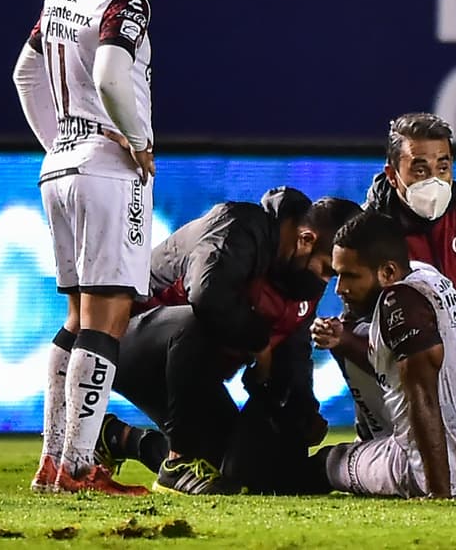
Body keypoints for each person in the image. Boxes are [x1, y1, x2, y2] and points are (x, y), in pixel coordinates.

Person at [12, 0, 201, 495]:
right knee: (110, 312)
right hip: (105, 167)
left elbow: (26, 71)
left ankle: (54, 460)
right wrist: (135, 137)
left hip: (62, 166)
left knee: (76, 316)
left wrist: (60, 142)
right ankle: (77, 467)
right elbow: (112, 71)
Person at [316, 113, 456, 488]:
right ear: (392, 173)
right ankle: (389, 444)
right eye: (419, 168)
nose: (433, 179)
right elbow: (358, 303)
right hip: (403, 343)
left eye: (443, 166)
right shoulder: (375, 226)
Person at [99, 188, 362, 495]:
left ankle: (119, 437)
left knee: (236, 471)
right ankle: (177, 460)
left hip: (194, 373)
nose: (327, 282)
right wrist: (260, 342)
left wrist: (301, 412)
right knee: (192, 322)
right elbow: (208, 295)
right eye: (328, 270)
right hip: (129, 340)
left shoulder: (302, 280)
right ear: (306, 239)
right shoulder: (239, 226)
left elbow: (294, 352)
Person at [312, 211, 456, 499]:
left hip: (443, 470)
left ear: (388, 273)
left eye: (350, 276)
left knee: (329, 461)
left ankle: (262, 480)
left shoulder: (398, 304)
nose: (340, 289)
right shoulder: (425, 274)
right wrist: (343, 340)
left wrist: (438, 494)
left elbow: (424, 397)